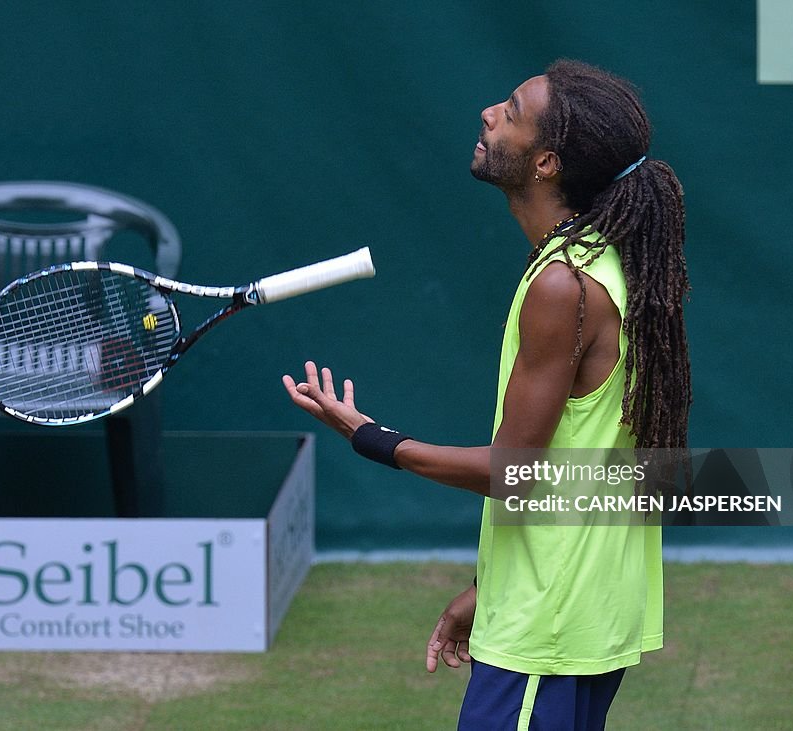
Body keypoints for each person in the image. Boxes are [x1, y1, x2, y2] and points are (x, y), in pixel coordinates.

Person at [283, 58, 691, 730]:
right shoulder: (606, 263)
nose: (488, 113)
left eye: (511, 109)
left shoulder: (564, 286)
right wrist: (489, 588)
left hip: (548, 629)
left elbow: (516, 474)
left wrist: (372, 437)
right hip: (575, 606)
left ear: (546, 164)